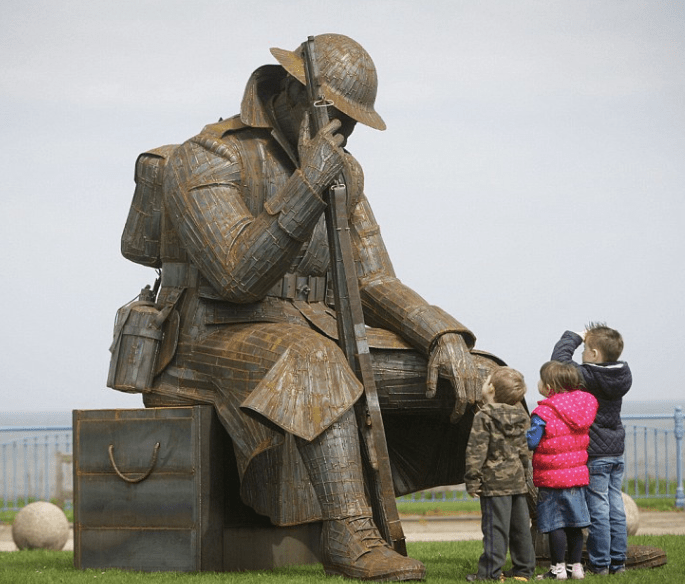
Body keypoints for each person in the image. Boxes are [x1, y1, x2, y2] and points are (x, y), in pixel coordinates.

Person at [114, 33, 506, 581]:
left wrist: (440, 334)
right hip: (208, 340)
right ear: (296, 94)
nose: (346, 133)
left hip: (311, 335)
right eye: (337, 117)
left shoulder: (341, 172)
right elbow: (236, 276)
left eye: (352, 123)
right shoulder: (206, 156)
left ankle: (549, 530)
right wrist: (308, 183)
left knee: (485, 377)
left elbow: (372, 279)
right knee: (314, 363)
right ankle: (350, 534)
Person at [550, 325, 632, 576]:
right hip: (616, 451)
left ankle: (600, 563)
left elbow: (559, 361)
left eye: (585, 349)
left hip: (596, 453)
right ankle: (618, 562)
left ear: (595, 354)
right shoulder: (623, 374)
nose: (582, 354)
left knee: (598, 509)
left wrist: (574, 336)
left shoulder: (589, 376)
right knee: (615, 506)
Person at [527, 361, 598, 580]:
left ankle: (557, 568)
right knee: (575, 524)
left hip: (551, 479)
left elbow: (532, 441)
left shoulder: (543, 412)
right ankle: (576, 567)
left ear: (549, 386)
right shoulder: (583, 408)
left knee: (555, 524)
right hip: (576, 477)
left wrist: (525, 435)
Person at [464, 367, 536, 582]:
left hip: (494, 484)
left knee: (495, 529)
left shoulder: (484, 416)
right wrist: (525, 473)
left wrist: (472, 480)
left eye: (487, 381)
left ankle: (489, 573)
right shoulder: (521, 416)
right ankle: (523, 570)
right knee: (520, 528)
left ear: (491, 389)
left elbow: (476, 451)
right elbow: (525, 450)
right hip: (517, 481)